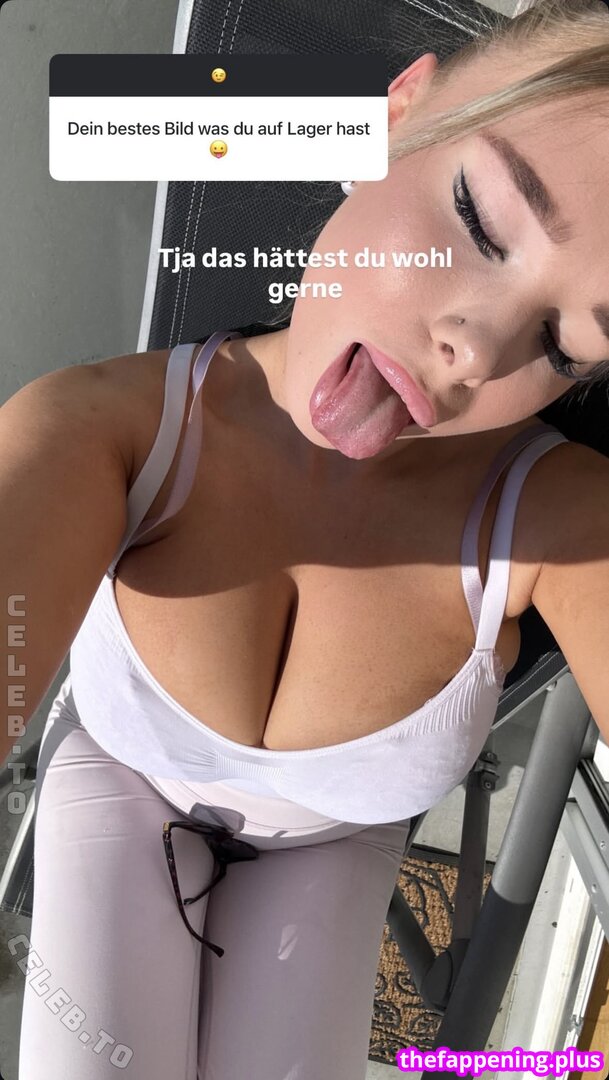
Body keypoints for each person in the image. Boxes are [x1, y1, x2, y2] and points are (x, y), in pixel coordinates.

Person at [6, 0, 609, 1076]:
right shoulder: (107, 428)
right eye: (480, 220)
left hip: (337, 841)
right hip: (119, 783)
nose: (477, 351)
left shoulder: (563, 517)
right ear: (398, 111)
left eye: (564, 344)